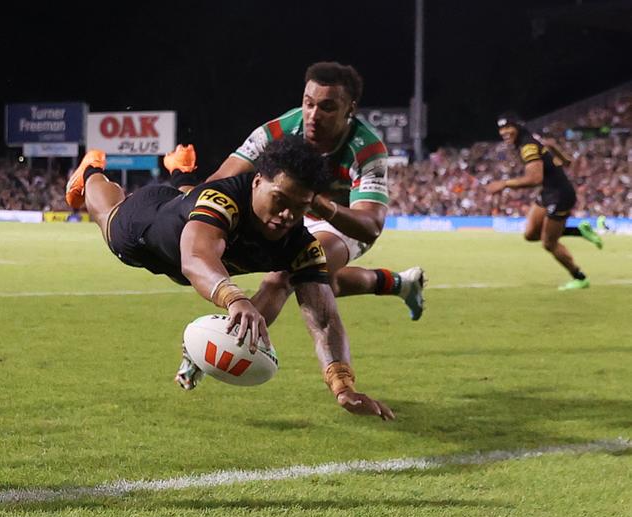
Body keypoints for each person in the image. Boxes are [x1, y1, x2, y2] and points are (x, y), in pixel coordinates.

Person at [65, 135, 395, 419]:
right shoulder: (221, 202)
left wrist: (342, 384)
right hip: (146, 232)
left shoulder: (301, 245)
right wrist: (235, 298)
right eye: (279, 200)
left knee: (191, 197)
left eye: (299, 208)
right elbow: (195, 258)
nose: (286, 216)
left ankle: (181, 169)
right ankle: (91, 168)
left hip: (187, 207)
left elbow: (323, 320)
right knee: (107, 217)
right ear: (256, 181)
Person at [164, 61, 425, 329]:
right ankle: (402, 284)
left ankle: (221, 350)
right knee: (325, 283)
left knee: (285, 275)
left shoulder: (367, 149)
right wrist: (182, 178)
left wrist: (317, 204)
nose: (313, 115)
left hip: (341, 221)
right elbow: (218, 185)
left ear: (351, 109)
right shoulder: (278, 131)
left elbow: (369, 226)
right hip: (294, 213)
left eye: (327, 107)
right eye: (308, 103)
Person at [486, 112, 603, 290]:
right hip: (548, 193)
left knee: (548, 243)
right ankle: (579, 231)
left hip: (560, 195)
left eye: (508, 127)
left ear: (518, 127)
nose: (504, 132)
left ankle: (579, 277)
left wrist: (504, 184)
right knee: (530, 234)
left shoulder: (527, 147)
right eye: (501, 128)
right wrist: (559, 153)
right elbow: (559, 155)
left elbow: (535, 179)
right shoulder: (528, 142)